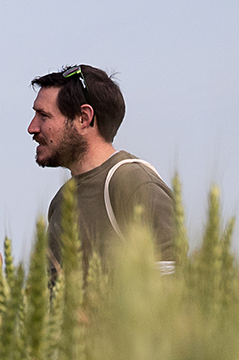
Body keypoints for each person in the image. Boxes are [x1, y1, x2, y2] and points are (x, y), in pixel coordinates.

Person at [30, 64, 177, 272]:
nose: (32, 128)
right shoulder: (61, 201)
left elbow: (171, 286)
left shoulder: (134, 184)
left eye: (43, 116)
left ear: (83, 118)